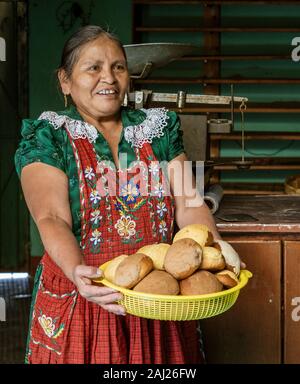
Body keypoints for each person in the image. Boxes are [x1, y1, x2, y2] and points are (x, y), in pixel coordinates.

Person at [15, 25, 242, 364]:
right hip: (86, 298)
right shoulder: (49, 136)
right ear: (65, 80)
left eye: (118, 67)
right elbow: (52, 217)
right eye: (93, 67)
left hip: (157, 298)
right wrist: (79, 272)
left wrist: (215, 253)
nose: (108, 77)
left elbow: (190, 205)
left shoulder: (159, 129)